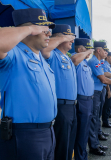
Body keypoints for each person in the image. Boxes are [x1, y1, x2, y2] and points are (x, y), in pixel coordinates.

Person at [0, 8, 57, 160]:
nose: (48, 33)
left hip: (48, 132)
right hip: (24, 135)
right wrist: (29, 28)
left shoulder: (42, 60)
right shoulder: (13, 55)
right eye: (43, 29)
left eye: (48, 29)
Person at [41, 24, 77, 160]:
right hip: (61, 106)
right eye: (68, 37)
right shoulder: (52, 55)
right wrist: (61, 38)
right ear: (58, 39)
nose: (71, 40)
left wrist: (65, 38)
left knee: (69, 143)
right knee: (61, 145)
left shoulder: (66, 57)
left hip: (71, 106)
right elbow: (45, 51)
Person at [87, 41, 111, 156]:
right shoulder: (94, 62)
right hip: (94, 93)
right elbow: (103, 79)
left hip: (98, 91)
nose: (106, 52)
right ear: (98, 50)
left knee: (96, 117)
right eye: (104, 50)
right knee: (93, 119)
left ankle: (96, 142)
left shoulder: (98, 62)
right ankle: (93, 146)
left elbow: (105, 75)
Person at [71, 38, 94, 160]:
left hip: (88, 100)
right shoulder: (76, 59)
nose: (90, 52)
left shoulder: (84, 62)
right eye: (87, 49)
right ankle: (80, 157)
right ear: (80, 49)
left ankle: (83, 156)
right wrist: (85, 53)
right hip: (81, 100)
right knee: (81, 133)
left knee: (84, 132)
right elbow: (74, 60)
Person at [102, 52, 111, 130]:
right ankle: (105, 121)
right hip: (108, 85)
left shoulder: (107, 65)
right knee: (106, 104)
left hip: (110, 84)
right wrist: (109, 89)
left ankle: (106, 120)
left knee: (109, 103)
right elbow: (105, 77)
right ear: (107, 57)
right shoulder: (104, 64)